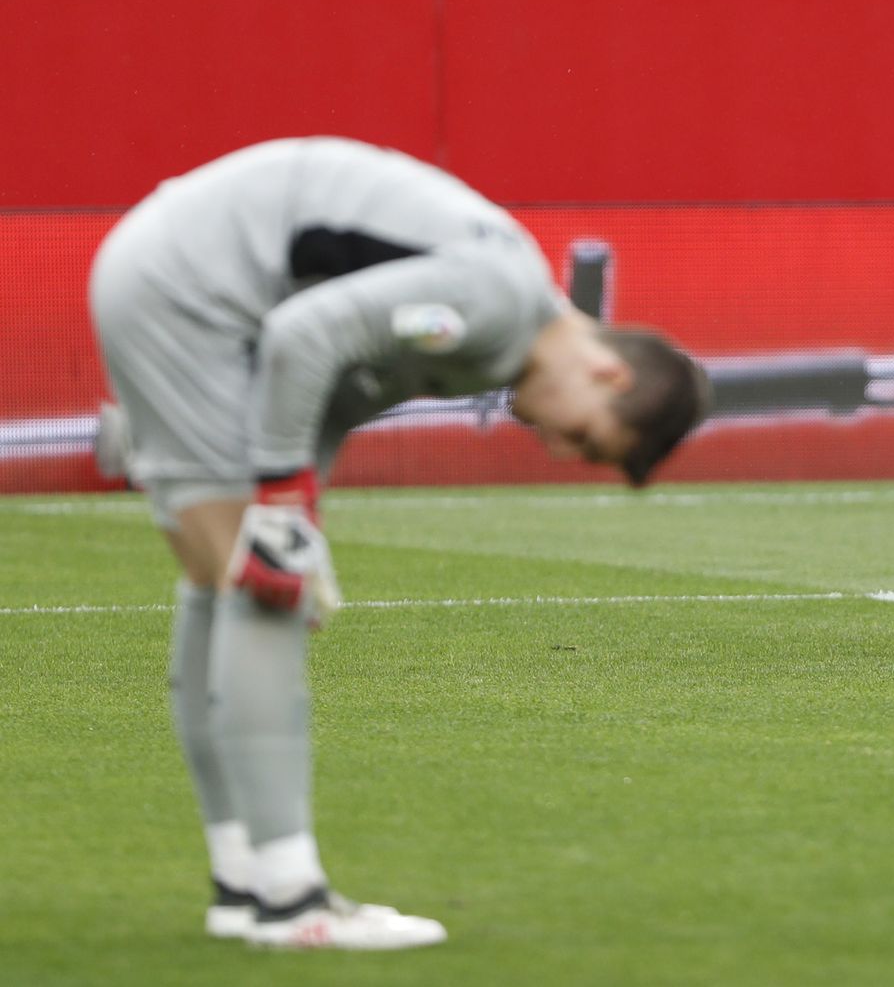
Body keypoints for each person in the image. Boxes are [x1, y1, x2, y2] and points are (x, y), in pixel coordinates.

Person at [87, 136, 708, 950]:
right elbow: (303, 337)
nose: (557, 449)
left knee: (228, 581)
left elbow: (337, 385)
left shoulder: (500, 324)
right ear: (608, 375)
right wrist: (280, 507)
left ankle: (243, 882)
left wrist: (296, 509)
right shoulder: (494, 302)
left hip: (172, 276)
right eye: (585, 437)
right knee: (261, 589)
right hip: (191, 292)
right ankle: (291, 899)